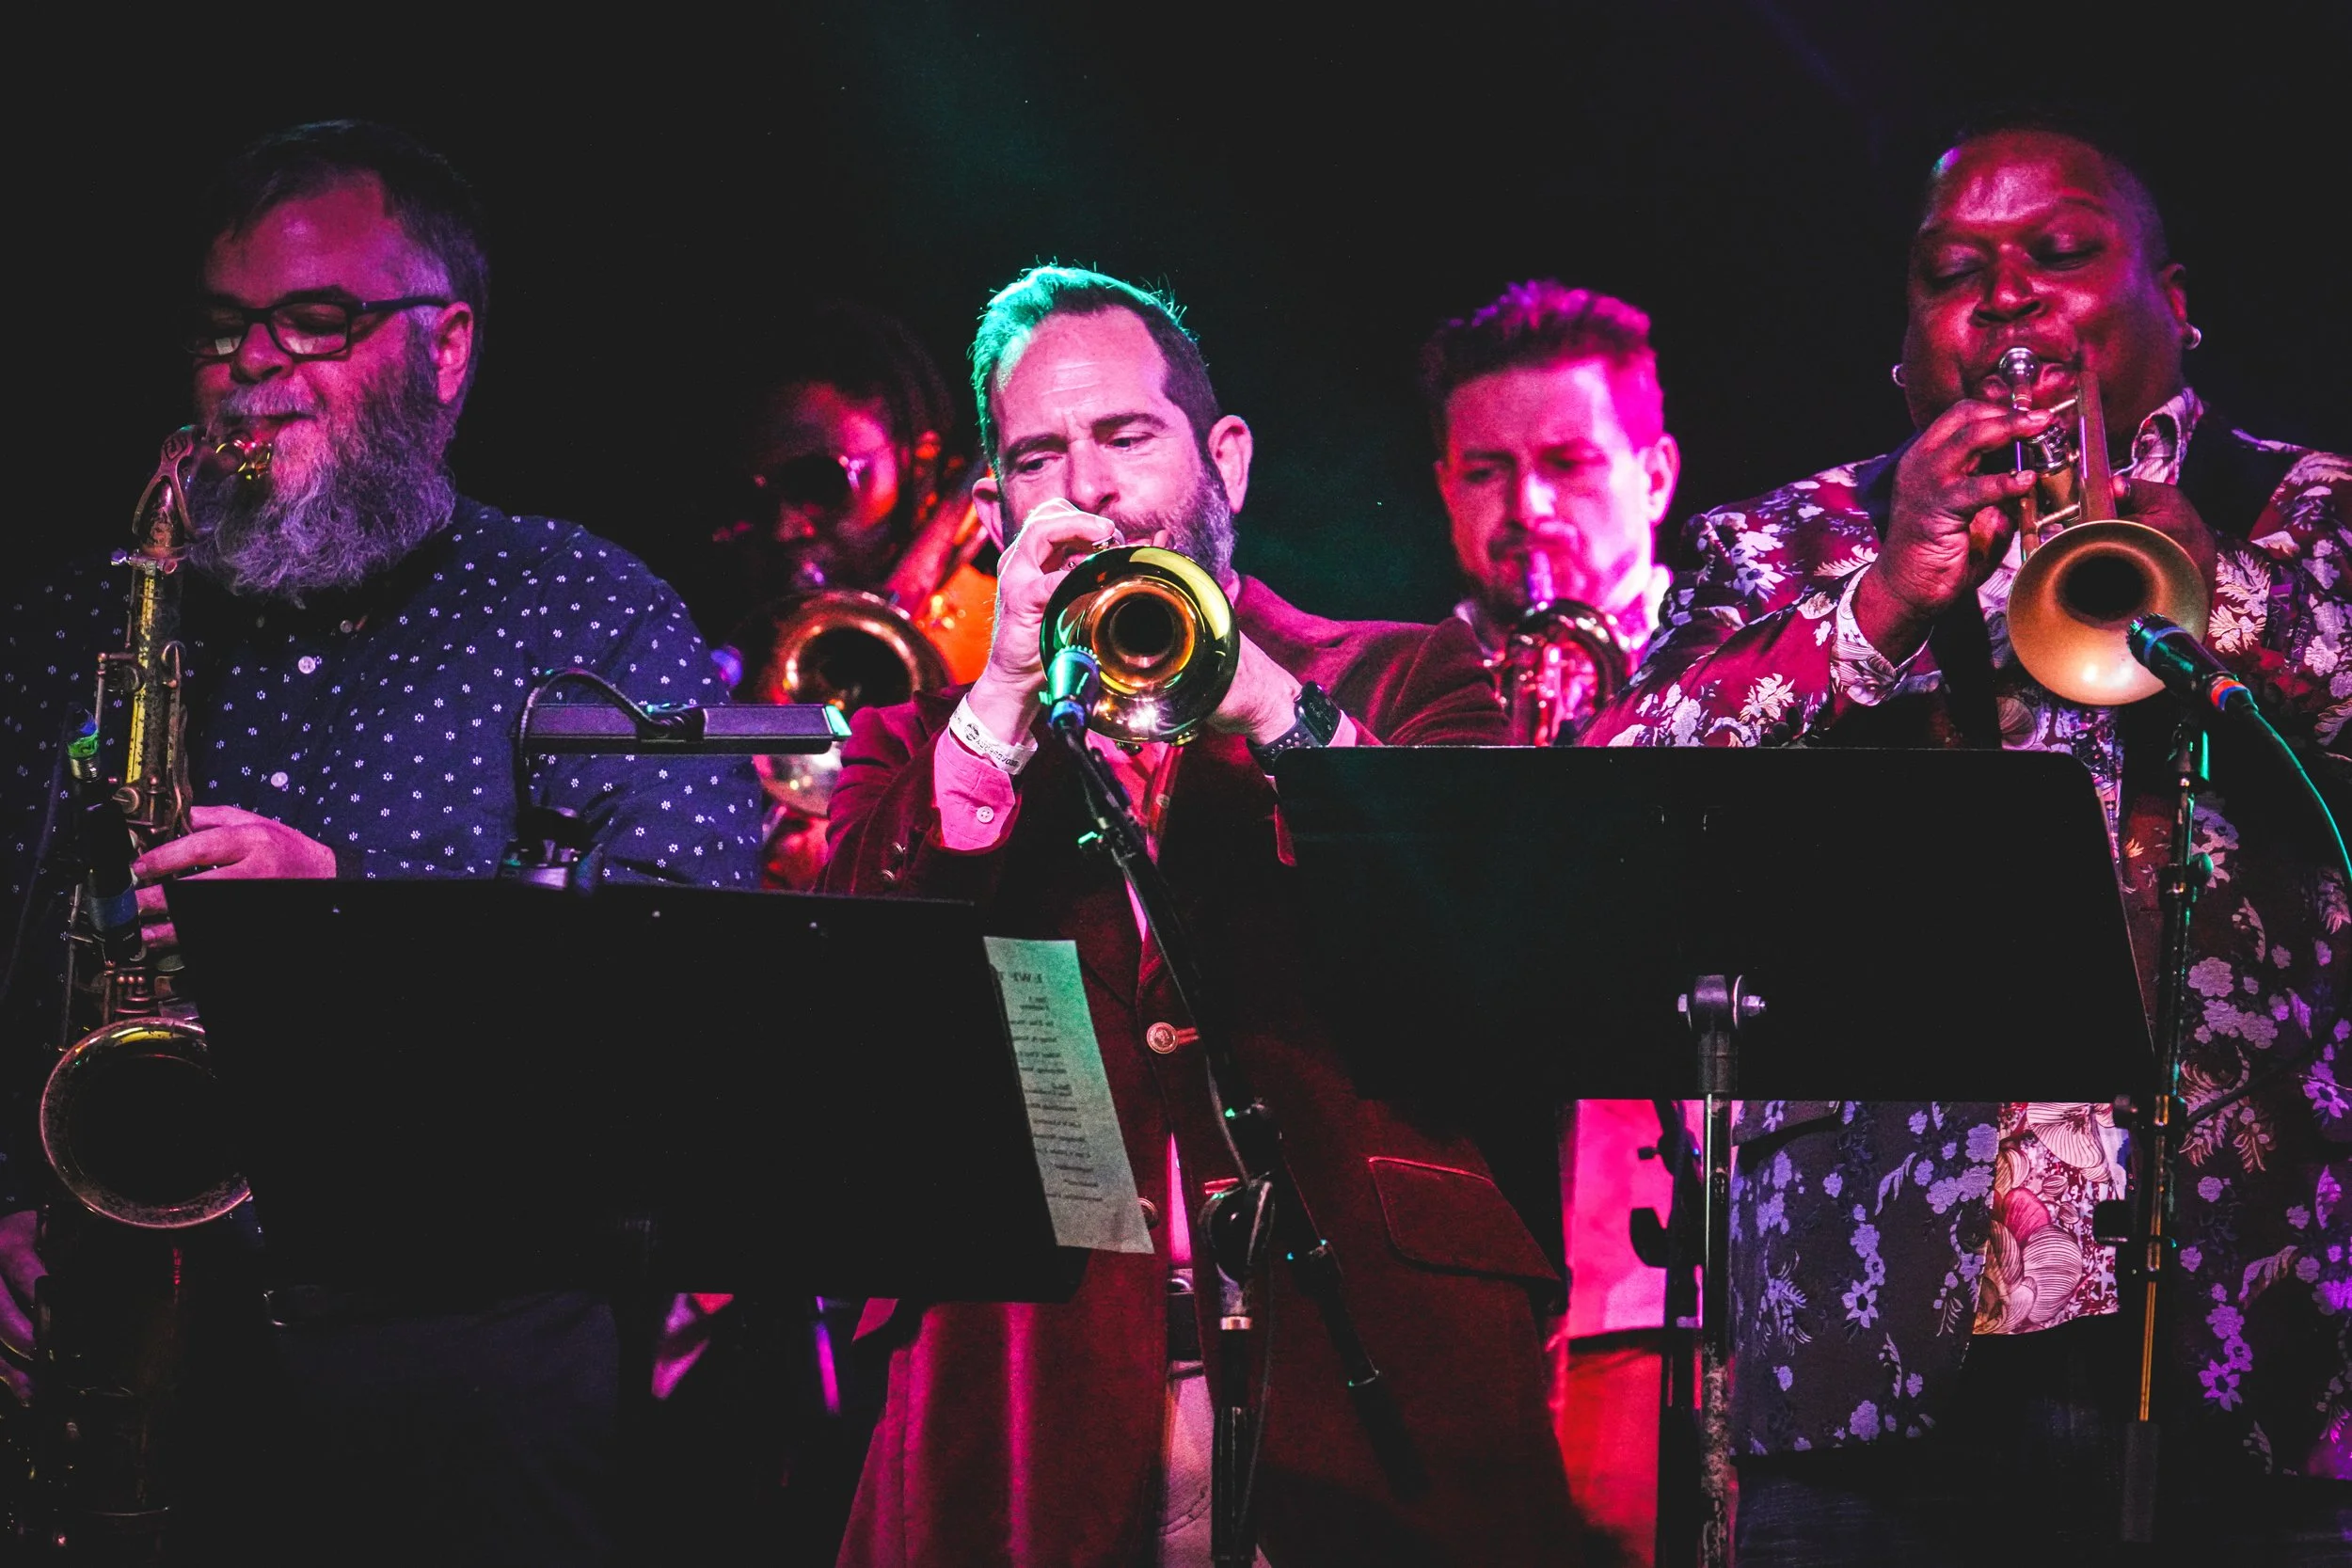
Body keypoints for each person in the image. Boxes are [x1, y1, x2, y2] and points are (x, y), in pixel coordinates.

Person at [1585, 111, 2349, 1563]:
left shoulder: (2314, 511)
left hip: (2260, 1320)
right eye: (1953, 273)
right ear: (1905, 347)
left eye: (2060, 252)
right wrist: (1878, 604)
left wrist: (2234, 597)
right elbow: (1618, 797)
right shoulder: (1788, 540)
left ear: (2175, 301)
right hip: (1866, 1328)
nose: (2006, 296)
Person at [0, 120, 761, 1563]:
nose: (252, 366)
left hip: (469, 1370)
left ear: (447, 347)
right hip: (122, 1347)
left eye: (316, 320)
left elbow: (686, 980)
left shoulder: (584, 610)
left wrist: (346, 917)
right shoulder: (76, 627)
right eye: (222, 327)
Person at [821, 265, 1577, 1566]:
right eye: (1039, 457)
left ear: (1223, 459)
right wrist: (999, 707)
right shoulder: (918, 743)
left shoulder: (1408, 673)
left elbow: (1491, 946)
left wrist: (1272, 707)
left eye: (1127, 436)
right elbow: (853, 1006)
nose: (1090, 488)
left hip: (1373, 1389)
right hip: (1030, 1402)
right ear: (997, 510)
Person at [1421, 279, 1692, 1565]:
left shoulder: (1750, 666)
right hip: (1453, 1292)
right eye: (1487, 471)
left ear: (1656, 475)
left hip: (1664, 1279)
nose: (1525, 506)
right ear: (1442, 488)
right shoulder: (1392, 691)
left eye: (1569, 463)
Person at [707, 303, 997, 890]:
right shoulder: (752, 638)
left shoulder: (998, 631)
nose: (785, 528)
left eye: (819, 482)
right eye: (761, 496)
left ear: (917, 460)